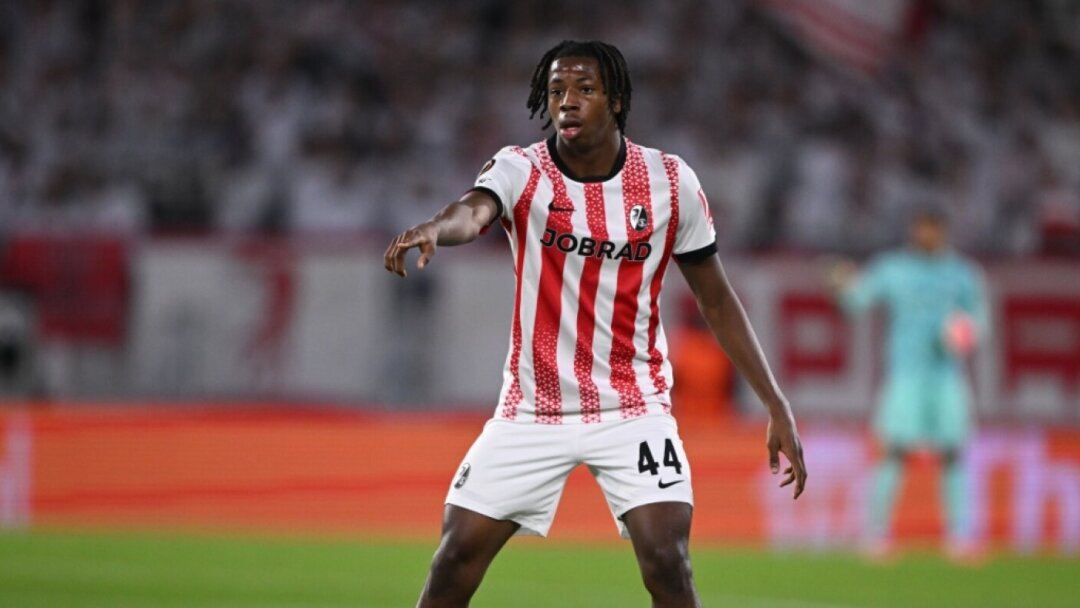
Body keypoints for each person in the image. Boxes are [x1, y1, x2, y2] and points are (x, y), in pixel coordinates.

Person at [385, 40, 806, 607]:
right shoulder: (521, 169)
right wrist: (438, 227)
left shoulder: (669, 181)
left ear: (617, 100)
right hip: (533, 409)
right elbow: (474, 209)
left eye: (585, 89)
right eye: (557, 90)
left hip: (633, 407)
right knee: (455, 556)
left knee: (667, 559)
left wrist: (775, 403)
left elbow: (717, 300)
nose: (568, 101)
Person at [827, 207, 989, 561]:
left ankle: (961, 535)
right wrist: (840, 286)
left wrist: (964, 333)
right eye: (921, 228)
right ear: (913, 230)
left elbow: (980, 320)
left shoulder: (961, 273)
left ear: (943, 231)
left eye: (933, 228)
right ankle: (876, 533)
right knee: (894, 451)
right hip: (906, 375)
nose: (927, 235)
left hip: (946, 375)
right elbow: (857, 300)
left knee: (953, 452)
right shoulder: (893, 269)